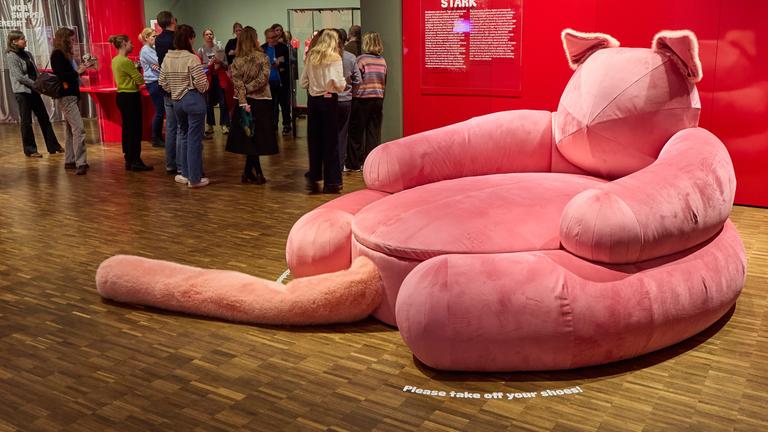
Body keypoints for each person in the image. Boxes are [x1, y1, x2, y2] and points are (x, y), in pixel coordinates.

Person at [159, 24, 210, 188]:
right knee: (194, 139)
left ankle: (184, 173)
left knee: (183, 135)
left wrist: (175, 89)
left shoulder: (168, 57)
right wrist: (201, 88)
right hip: (193, 99)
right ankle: (194, 178)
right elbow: (202, 84)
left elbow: (162, 82)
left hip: (176, 100)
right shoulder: (191, 58)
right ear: (190, 38)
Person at [227, 26, 277, 185]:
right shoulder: (263, 58)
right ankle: (254, 172)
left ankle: (250, 172)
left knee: (249, 138)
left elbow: (237, 83)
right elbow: (263, 79)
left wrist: (243, 95)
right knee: (255, 139)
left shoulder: (236, 61)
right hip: (260, 100)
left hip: (242, 101)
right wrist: (247, 90)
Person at [300, 29, 346, 194]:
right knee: (331, 142)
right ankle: (332, 182)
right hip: (329, 101)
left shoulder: (311, 58)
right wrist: (339, 84)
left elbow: (303, 82)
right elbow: (339, 84)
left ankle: (314, 177)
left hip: (313, 101)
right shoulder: (335, 58)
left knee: (314, 141)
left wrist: (314, 85)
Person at [5, 30, 63, 158]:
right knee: (26, 121)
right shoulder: (11, 56)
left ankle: (53, 146)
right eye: (22, 39)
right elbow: (19, 76)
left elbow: (35, 72)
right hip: (22, 92)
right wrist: (34, 84)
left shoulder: (28, 54)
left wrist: (41, 85)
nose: (25, 40)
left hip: (34, 90)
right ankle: (30, 150)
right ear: (14, 41)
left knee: (44, 118)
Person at [51, 27, 94, 175]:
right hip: (66, 95)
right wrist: (78, 72)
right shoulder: (57, 54)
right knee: (79, 129)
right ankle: (80, 162)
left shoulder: (65, 54)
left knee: (70, 129)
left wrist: (81, 70)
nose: (73, 41)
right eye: (71, 38)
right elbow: (62, 75)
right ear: (64, 39)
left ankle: (70, 160)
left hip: (72, 95)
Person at [110, 34, 152, 172]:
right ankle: (135, 160)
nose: (133, 46)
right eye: (130, 43)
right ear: (123, 43)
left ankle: (129, 158)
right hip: (130, 96)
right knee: (135, 129)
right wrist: (138, 75)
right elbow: (140, 80)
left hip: (121, 96)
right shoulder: (125, 62)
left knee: (128, 129)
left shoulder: (115, 60)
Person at [346, 32, 387, 172]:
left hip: (362, 99)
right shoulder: (382, 60)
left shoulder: (361, 59)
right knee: (373, 132)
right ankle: (370, 163)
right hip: (378, 99)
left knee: (356, 133)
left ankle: (353, 164)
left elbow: (356, 79)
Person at [155, 10, 179, 175]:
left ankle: (170, 163)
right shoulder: (175, 38)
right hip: (178, 84)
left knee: (170, 127)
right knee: (181, 127)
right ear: (171, 20)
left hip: (166, 83)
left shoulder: (158, 39)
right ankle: (181, 162)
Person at [334, 28, 359, 169]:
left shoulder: (329, 56)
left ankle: (330, 163)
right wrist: (352, 93)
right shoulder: (351, 57)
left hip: (331, 99)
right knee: (343, 134)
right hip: (346, 100)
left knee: (330, 132)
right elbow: (358, 79)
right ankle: (340, 164)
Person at [198, 28, 230, 136]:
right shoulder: (201, 50)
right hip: (208, 78)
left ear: (213, 35)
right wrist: (209, 65)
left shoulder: (220, 48)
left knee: (223, 102)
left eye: (210, 34)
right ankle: (210, 125)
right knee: (208, 102)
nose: (209, 36)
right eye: (206, 34)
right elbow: (199, 66)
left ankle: (224, 125)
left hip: (219, 77)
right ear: (204, 36)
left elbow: (226, 65)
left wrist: (219, 61)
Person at [262, 28, 292, 135]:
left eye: (275, 37)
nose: (274, 39)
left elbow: (289, 62)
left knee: (284, 105)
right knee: (272, 106)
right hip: (268, 82)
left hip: (281, 80)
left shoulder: (283, 47)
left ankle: (287, 125)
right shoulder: (262, 48)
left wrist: (281, 63)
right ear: (267, 38)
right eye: (271, 38)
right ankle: (273, 126)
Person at [138, 27, 164, 148]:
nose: (155, 39)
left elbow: (159, 63)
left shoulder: (151, 49)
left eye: (156, 36)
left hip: (157, 81)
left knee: (161, 111)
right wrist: (158, 65)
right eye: (153, 36)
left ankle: (158, 136)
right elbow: (160, 62)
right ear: (146, 38)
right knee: (159, 111)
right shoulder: (145, 50)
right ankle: (155, 138)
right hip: (153, 82)